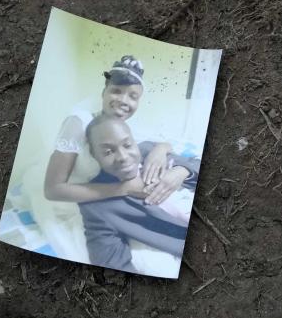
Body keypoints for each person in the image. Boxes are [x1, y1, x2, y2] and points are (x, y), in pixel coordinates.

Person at [22, 56, 174, 261]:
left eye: (133, 96)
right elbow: (52, 190)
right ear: (104, 92)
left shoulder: (120, 124)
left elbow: (157, 142)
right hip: (73, 195)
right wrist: (124, 189)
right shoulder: (78, 123)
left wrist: (161, 149)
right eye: (116, 91)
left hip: (104, 190)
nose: (123, 101)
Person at [78, 114, 200, 273]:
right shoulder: (96, 205)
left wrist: (182, 171)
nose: (123, 157)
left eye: (127, 145)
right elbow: (109, 262)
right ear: (95, 156)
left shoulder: (149, 152)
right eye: (108, 152)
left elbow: (196, 163)